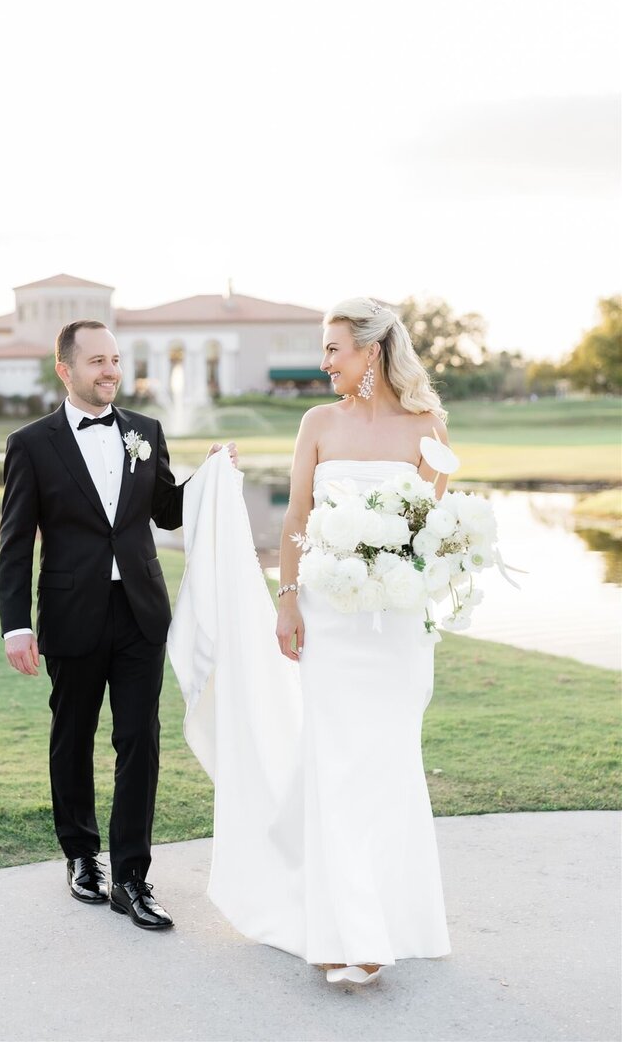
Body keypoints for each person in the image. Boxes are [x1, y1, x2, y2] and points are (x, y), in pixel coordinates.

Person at [0, 319, 235, 932]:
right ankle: (81, 856)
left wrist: (207, 477)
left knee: (140, 740)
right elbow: (16, 541)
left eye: (115, 360)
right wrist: (14, 625)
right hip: (72, 613)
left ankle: (132, 876)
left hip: (139, 611)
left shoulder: (145, 432)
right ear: (66, 369)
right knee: (71, 737)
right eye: (96, 361)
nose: (109, 370)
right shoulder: (31, 443)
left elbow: (168, 511)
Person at [274, 296, 452, 985]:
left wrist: (424, 572)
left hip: (396, 627)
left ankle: (387, 920)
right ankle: (341, 929)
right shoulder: (318, 423)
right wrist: (287, 602)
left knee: (386, 763)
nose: (324, 364)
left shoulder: (426, 427)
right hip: (329, 621)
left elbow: (433, 535)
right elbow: (295, 517)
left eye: (333, 350)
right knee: (333, 765)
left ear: (370, 353)